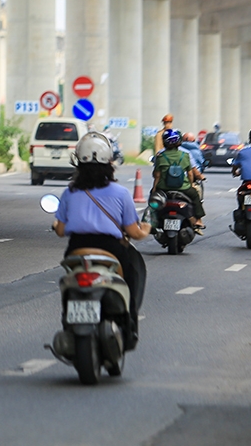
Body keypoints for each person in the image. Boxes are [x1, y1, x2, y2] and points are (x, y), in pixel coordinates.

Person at [51, 132, 151, 350]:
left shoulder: (69, 192)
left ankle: (68, 320)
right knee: (131, 276)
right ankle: (130, 326)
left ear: (78, 162)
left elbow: (60, 230)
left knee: (69, 283)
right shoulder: (121, 193)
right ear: (110, 162)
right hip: (111, 250)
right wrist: (145, 230)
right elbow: (132, 232)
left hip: (77, 249)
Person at [151, 129, 206, 233]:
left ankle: (151, 222)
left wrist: (154, 189)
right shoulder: (185, 155)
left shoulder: (160, 156)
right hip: (183, 188)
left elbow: (157, 175)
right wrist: (190, 185)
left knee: (153, 201)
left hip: (163, 188)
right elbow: (190, 173)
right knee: (195, 195)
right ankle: (198, 219)